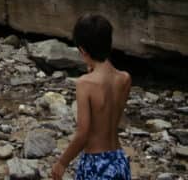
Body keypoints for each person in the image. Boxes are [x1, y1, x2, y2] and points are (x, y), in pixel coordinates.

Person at [51, 14, 132, 180]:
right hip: (119, 160)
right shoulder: (124, 79)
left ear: (82, 50)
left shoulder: (85, 84)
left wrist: (62, 162)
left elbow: (83, 133)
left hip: (96, 164)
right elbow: (110, 117)